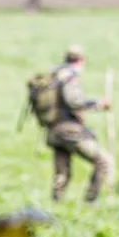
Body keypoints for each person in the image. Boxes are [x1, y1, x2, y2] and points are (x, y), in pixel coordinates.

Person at [46, 45, 113, 204]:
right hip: (70, 131)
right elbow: (74, 101)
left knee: (61, 173)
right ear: (81, 60)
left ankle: (56, 205)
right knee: (104, 161)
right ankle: (90, 202)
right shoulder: (70, 76)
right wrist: (97, 104)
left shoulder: (55, 75)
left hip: (53, 131)